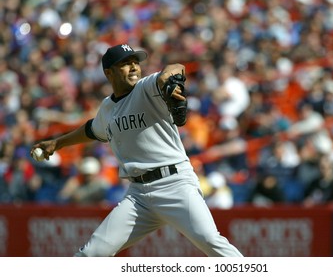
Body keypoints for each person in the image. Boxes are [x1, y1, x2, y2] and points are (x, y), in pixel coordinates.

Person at [30, 43, 243, 257]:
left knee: (211, 242)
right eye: (125, 63)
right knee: (90, 254)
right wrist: (57, 143)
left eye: (135, 62)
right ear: (108, 72)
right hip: (139, 196)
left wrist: (164, 78)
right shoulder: (107, 108)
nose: (133, 67)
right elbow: (91, 130)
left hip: (175, 184)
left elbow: (176, 67)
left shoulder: (147, 87)